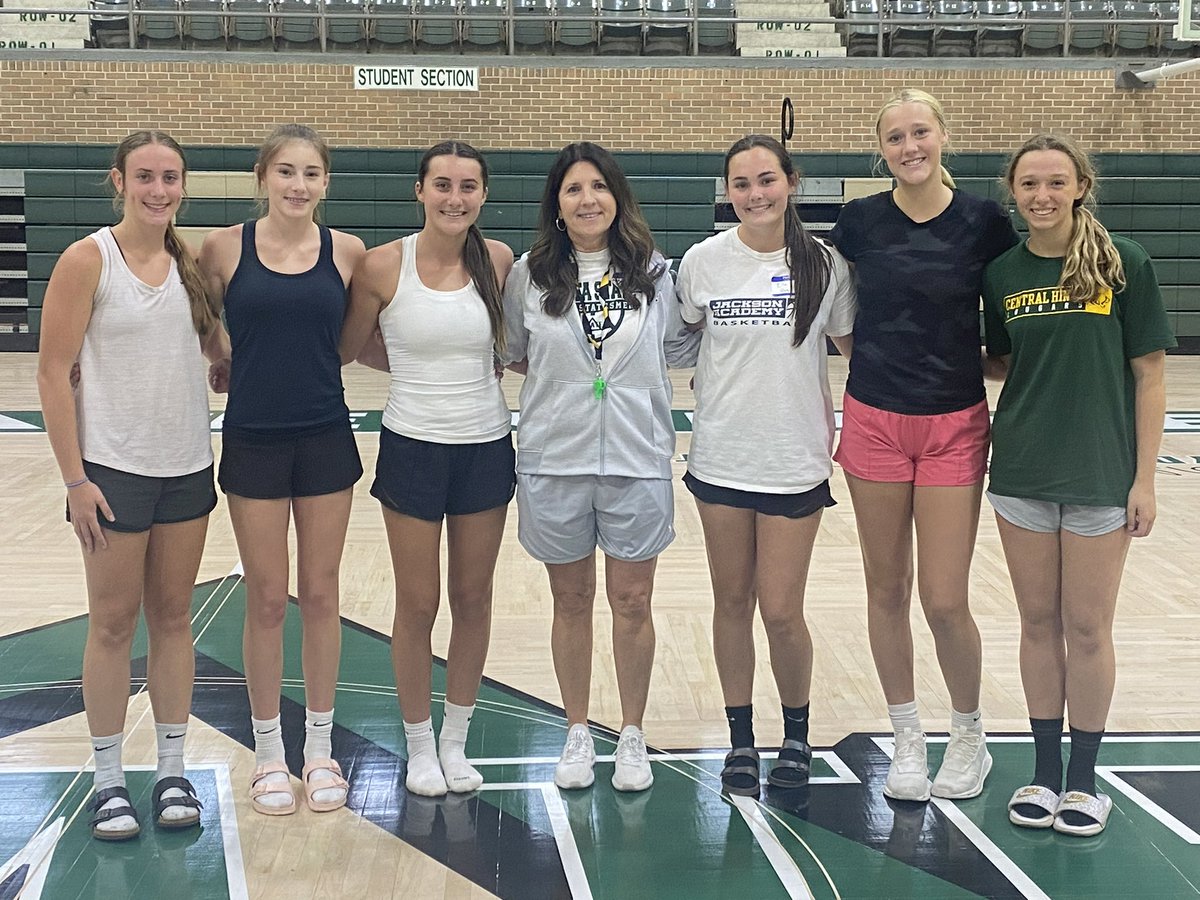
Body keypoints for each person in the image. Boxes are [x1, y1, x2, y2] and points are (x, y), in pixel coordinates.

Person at [828, 89, 1019, 802]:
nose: (909, 147)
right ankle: (906, 737)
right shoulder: (859, 222)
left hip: (953, 425)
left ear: (943, 136)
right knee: (886, 589)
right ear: (881, 150)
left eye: (920, 133)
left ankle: (968, 735)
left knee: (943, 598)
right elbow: (839, 310)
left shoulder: (984, 222)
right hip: (875, 419)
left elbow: (1011, 310)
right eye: (896, 137)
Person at [983, 133, 1174, 837]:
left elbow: (1150, 374)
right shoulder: (1001, 272)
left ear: (1080, 187)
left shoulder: (1125, 262)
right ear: (1013, 193)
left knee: (1088, 627)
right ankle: (1043, 773)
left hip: (1100, 473)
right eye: (1029, 184)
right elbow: (1004, 362)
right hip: (1022, 471)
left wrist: (1144, 479)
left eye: (1056, 182)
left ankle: (1085, 782)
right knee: (1037, 624)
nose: (1042, 196)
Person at [37, 130, 224, 840]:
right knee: (114, 625)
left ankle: (172, 771)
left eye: (170, 177)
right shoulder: (87, 260)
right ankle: (108, 780)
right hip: (111, 472)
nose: (158, 190)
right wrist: (74, 478)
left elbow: (213, 350)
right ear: (118, 181)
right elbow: (51, 374)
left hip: (187, 466)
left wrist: (235, 362)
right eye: (144, 176)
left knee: (174, 619)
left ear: (182, 186)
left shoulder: (191, 264)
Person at [501, 141, 697, 793]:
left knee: (632, 600)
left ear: (618, 197)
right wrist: (572, 391)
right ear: (556, 206)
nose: (588, 200)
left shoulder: (655, 272)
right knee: (571, 598)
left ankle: (632, 733)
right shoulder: (529, 274)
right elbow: (516, 351)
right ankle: (578, 730)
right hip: (555, 458)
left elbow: (678, 348)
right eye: (573, 189)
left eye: (599, 187)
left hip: (637, 456)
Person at [675, 135, 855, 797]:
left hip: (793, 460)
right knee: (731, 602)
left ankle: (797, 734)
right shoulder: (702, 262)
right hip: (721, 457)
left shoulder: (825, 265)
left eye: (766, 180)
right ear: (728, 191)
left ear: (791, 182)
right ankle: (741, 739)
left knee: (781, 610)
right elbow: (685, 338)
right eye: (741, 183)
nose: (755, 194)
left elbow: (855, 350)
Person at [199, 124, 366, 816]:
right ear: (262, 176)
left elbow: (352, 342)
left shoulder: (348, 252)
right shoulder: (222, 248)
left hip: (325, 436)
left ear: (326, 182)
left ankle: (319, 750)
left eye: (311, 173)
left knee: (321, 595)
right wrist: (222, 355)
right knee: (267, 598)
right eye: (286, 171)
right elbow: (199, 318)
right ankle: (269, 753)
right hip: (254, 441)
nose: (299, 185)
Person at [339, 141, 515, 797]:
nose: (454, 198)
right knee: (418, 603)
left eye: (468, 186)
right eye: (442, 184)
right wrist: (417, 369)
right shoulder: (383, 265)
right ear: (419, 191)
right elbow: (351, 347)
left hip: (485, 446)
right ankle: (418, 746)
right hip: (412, 446)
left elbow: (514, 344)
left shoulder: (499, 260)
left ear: (483, 195)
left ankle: (454, 742)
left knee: (473, 599)